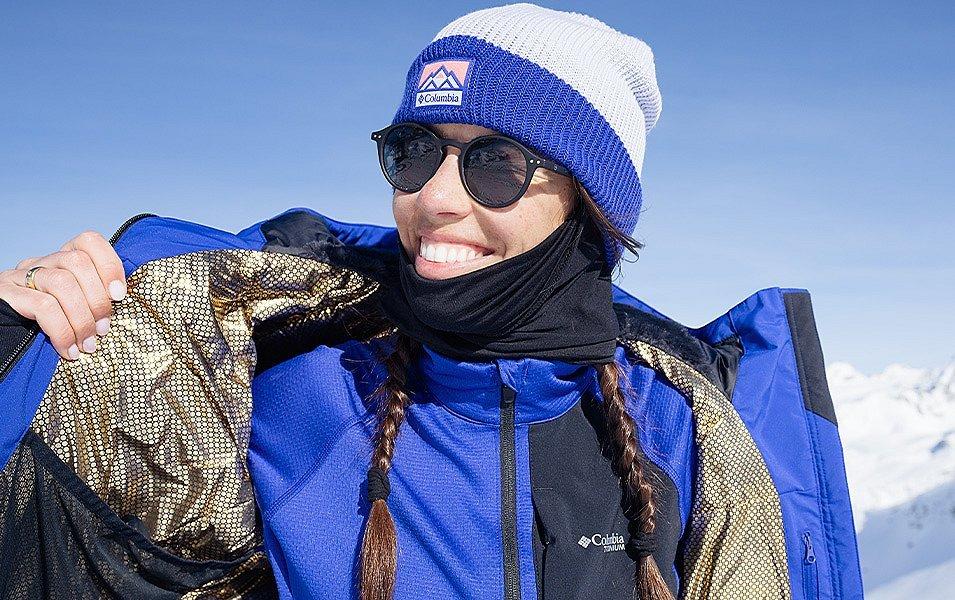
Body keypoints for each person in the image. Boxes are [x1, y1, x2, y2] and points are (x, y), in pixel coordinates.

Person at [0, 4, 864, 600]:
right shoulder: (283, 385)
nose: (435, 199)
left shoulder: (686, 437)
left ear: (589, 206)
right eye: (413, 152)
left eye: (494, 162)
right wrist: (22, 334)